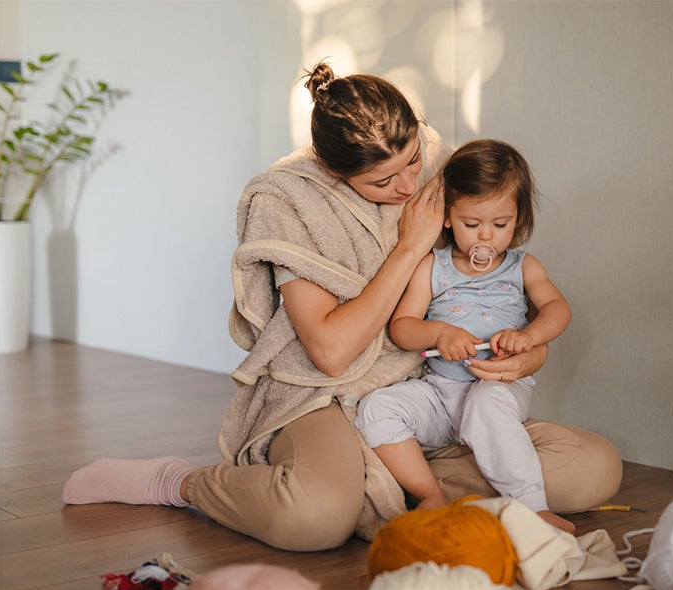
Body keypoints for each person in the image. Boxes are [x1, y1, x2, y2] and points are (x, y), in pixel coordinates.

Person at [62, 63, 622, 552]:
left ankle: (393, 481)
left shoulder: (437, 165)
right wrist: (408, 247)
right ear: (336, 173)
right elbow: (329, 353)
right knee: (313, 520)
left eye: (412, 160)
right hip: (322, 393)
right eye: (383, 180)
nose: (410, 185)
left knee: (594, 470)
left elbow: (502, 300)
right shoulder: (287, 202)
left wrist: (527, 358)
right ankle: (182, 484)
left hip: (433, 388)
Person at [355, 139, 575, 533]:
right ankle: (428, 493)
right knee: (376, 407)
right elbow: (403, 326)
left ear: (519, 219)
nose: (485, 238)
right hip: (441, 394)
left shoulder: (522, 267)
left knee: (488, 405)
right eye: (471, 225)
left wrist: (530, 337)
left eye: (501, 225)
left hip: (498, 391)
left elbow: (558, 310)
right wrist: (438, 333)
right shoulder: (432, 266)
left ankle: (532, 506)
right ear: (447, 217)